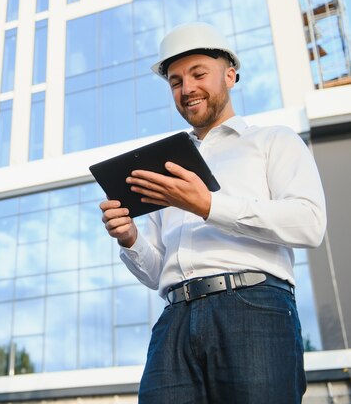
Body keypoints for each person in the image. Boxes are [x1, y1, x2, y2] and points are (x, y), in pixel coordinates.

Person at [100, 22, 326, 403]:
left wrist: (207, 205)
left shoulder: (273, 142)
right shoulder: (162, 167)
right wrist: (130, 238)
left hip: (254, 308)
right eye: (175, 81)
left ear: (230, 75)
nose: (187, 88)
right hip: (173, 320)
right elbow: (156, 273)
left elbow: (310, 225)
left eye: (198, 74)